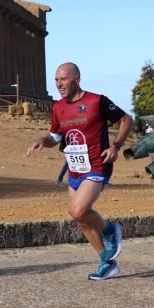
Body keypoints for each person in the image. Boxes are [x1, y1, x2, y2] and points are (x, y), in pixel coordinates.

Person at [26, 62, 133, 281]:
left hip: (97, 165)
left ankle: (111, 230)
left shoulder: (97, 101)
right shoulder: (58, 108)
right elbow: (55, 137)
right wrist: (42, 141)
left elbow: (126, 119)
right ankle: (107, 262)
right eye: (56, 80)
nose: (59, 84)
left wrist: (116, 146)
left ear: (77, 79)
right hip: (74, 169)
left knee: (77, 210)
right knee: (81, 219)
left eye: (63, 79)